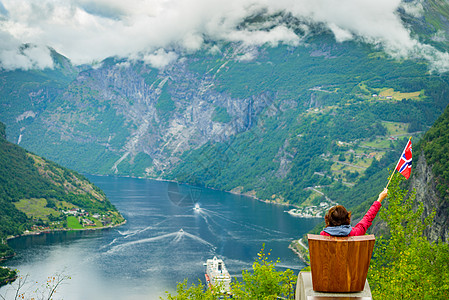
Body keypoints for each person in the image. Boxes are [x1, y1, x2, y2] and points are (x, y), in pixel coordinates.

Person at [320, 188, 388, 236]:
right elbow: (368, 218)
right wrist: (380, 199)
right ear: (347, 218)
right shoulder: (356, 233)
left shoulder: (323, 235)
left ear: (328, 219)